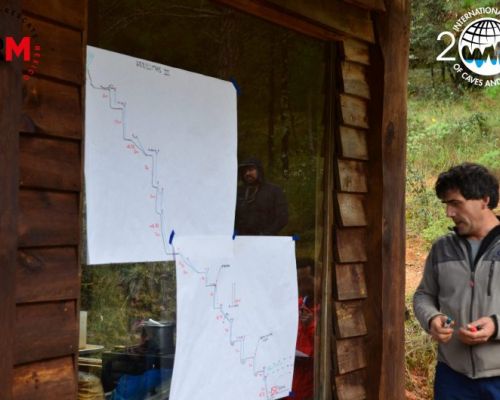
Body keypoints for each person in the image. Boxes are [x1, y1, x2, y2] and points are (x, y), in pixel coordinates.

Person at [413, 162, 500, 400]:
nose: (449, 213)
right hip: (452, 378)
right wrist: (432, 318)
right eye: (446, 204)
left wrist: (496, 326)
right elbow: (423, 295)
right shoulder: (441, 249)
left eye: (455, 203)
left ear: (484, 200)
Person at [235, 158, 288, 235]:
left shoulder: (274, 190)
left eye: (250, 170)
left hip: (266, 239)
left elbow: (282, 218)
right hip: (242, 239)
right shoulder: (238, 192)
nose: (247, 173)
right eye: (245, 171)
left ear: (259, 171)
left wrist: (267, 233)